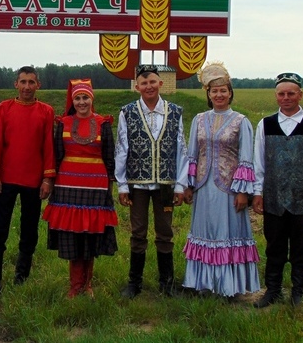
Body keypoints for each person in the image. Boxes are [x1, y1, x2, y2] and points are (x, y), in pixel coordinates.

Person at [252, 72, 303, 308]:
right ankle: (273, 290)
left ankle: (298, 292)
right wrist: (257, 192)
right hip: (274, 198)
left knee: (301, 248)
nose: (286, 97)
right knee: (274, 246)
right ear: (276, 96)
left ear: (300, 94)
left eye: (290, 93)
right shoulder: (265, 124)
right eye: (281, 93)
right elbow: (259, 162)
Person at [181, 62, 260, 298]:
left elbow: (246, 157)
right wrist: (188, 185)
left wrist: (243, 192)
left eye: (223, 90)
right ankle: (202, 283)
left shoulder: (241, 121)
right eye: (214, 91)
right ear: (208, 93)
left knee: (228, 234)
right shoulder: (199, 120)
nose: (219, 95)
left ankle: (229, 286)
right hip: (204, 188)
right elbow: (192, 153)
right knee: (205, 232)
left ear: (230, 92)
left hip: (229, 189)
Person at [0, 66, 55, 304]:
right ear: (16, 84)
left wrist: (47, 178)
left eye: (31, 82)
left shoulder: (46, 111)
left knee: (29, 231)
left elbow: (48, 146)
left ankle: (21, 279)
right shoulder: (5, 108)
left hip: (33, 181)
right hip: (6, 179)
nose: (26, 87)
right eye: (22, 82)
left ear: (38, 85)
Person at [115, 64, 189, 299]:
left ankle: (166, 283)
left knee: (165, 232)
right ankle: (134, 283)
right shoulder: (127, 112)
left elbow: (181, 150)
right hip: (137, 184)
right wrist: (122, 185)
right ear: (137, 87)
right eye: (144, 83)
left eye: (152, 82)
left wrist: (180, 184)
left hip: (165, 184)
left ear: (160, 84)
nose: (148, 86)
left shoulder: (175, 111)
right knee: (138, 232)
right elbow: (121, 148)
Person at [42, 79, 118, 298]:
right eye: (77, 98)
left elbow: (109, 157)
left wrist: (109, 188)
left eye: (85, 97)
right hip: (67, 188)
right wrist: (50, 182)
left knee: (90, 236)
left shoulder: (103, 123)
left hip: (95, 188)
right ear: (72, 100)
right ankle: (75, 286)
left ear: (92, 98)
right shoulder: (63, 123)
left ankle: (88, 285)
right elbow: (56, 155)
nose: (82, 102)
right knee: (73, 236)